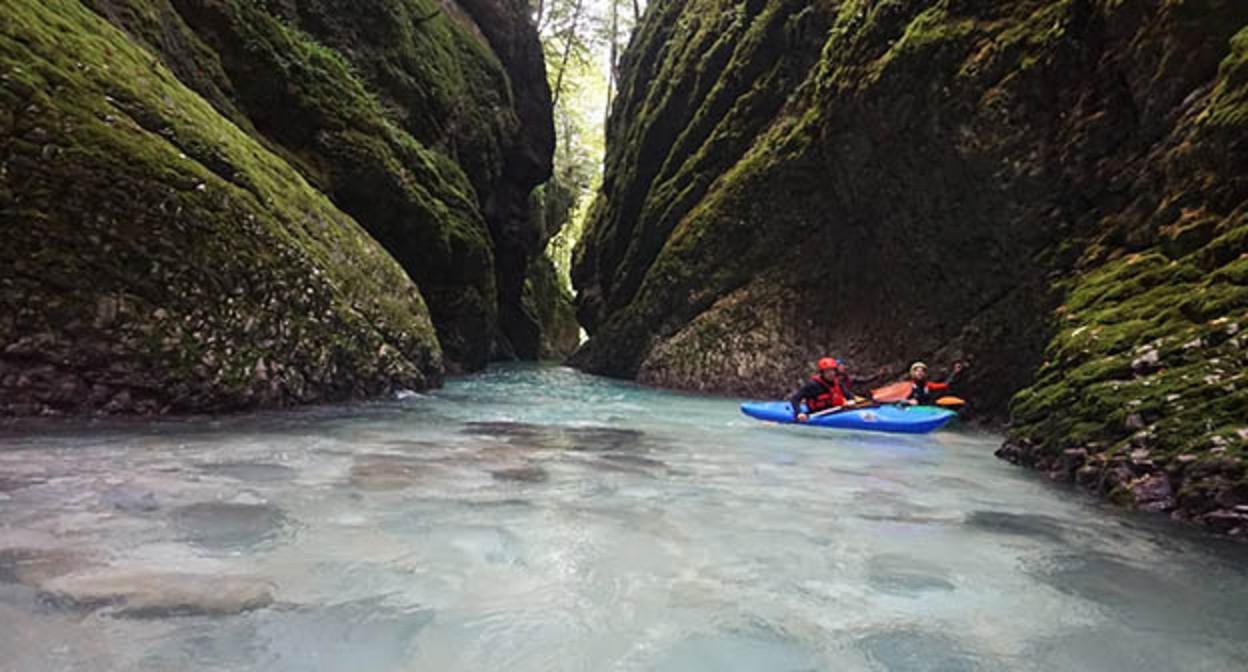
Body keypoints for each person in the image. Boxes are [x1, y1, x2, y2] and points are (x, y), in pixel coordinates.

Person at [789, 357, 873, 423]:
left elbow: (849, 396)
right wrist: (799, 413)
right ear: (822, 373)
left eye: (832, 371)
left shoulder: (838, 384)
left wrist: (851, 401)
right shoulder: (813, 385)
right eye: (827, 371)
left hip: (837, 413)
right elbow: (795, 399)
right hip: (818, 415)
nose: (831, 374)